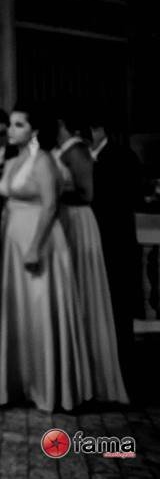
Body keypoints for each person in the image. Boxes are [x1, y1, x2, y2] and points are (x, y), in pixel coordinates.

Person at [0, 104, 91, 412]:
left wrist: (35, 246)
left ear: (34, 130)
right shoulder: (15, 160)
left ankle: (48, 386)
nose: (10, 130)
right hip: (13, 241)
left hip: (40, 238)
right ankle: (22, 382)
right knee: (21, 311)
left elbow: (50, 206)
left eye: (18, 124)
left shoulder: (44, 160)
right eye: (10, 124)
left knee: (40, 309)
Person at [54, 114, 129, 403]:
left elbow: (88, 194)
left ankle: (94, 373)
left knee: (88, 291)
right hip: (67, 222)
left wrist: (52, 191)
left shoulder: (77, 150)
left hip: (81, 222)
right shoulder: (63, 150)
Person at [90, 116, 144, 379]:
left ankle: (124, 368)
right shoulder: (81, 156)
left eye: (91, 128)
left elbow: (134, 194)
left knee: (119, 305)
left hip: (116, 240)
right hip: (91, 240)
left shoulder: (123, 156)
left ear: (102, 129)